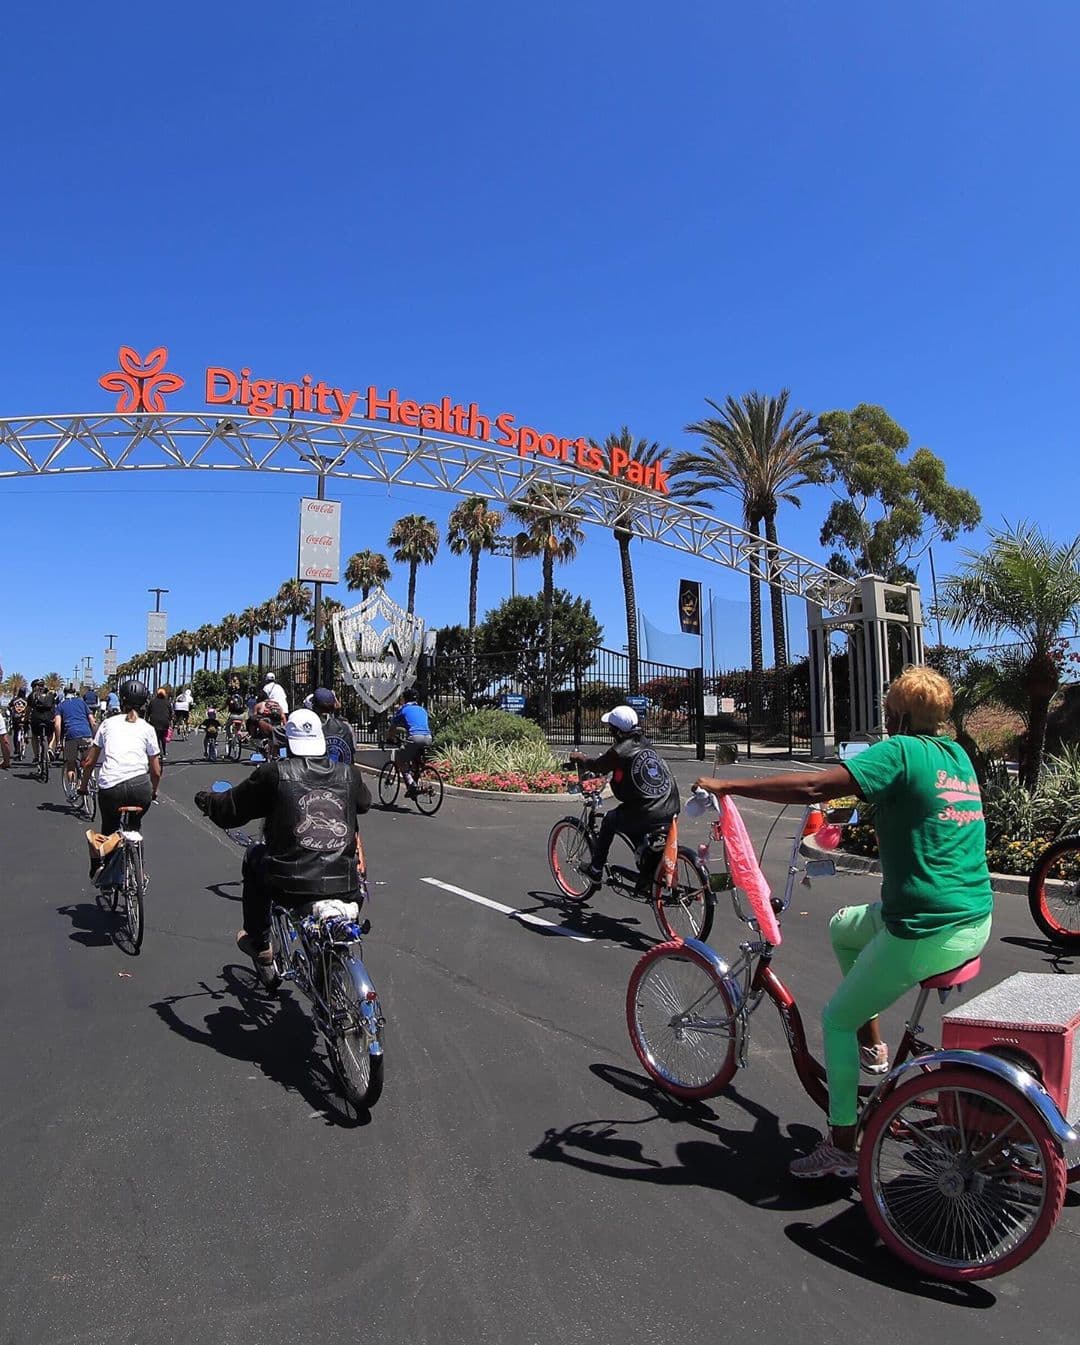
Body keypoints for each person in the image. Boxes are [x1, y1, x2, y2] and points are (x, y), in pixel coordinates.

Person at [693, 665, 994, 1180]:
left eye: (888, 711)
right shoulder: (956, 756)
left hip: (926, 927)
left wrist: (729, 784)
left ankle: (841, 1145)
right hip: (972, 917)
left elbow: (815, 784)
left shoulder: (900, 751)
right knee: (843, 927)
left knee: (834, 1018)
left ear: (898, 715)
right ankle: (872, 1048)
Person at [194, 708, 372, 970]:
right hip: (346, 884)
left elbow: (231, 809)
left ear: (288, 740)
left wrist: (207, 800)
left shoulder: (274, 774)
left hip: (290, 883)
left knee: (254, 856)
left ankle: (259, 941)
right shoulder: (348, 774)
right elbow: (364, 803)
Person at [569, 705, 680, 887]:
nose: (609, 731)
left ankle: (595, 869)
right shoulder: (645, 742)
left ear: (616, 731)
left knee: (610, 820)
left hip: (648, 811)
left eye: (611, 728)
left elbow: (598, 766)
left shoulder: (620, 750)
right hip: (670, 806)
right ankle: (647, 866)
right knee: (632, 819)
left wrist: (580, 758)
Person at [79, 680, 162, 834]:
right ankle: (134, 835)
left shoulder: (107, 724)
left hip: (111, 788)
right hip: (140, 788)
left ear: (122, 700)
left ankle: (109, 846)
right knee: (135, 824)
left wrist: (83, 787)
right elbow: (156, 771)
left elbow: (90, 762)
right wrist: (153, 791)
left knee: (109, 830)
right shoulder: (148, 729)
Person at [54, 685, 97, 796]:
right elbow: (92, 721)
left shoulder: (60, 706)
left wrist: (58, 742)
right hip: (86, 734)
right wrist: (94, 736)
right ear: (75, 693)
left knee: (71, 764)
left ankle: (74, 790)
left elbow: (57, 725)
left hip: (71, 735)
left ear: (64, 694)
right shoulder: (82, 703)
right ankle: (89, 781)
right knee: (87, 761)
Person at [390, 691, 432, 797]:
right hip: (428, 738)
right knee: (415, 759)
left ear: (404, 699)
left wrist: (390, 738)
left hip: (415, 738)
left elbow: (393, 727)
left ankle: (411, 783)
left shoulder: (403, 709)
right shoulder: (422, 709)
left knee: (400, 758)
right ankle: (415, 782)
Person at [312, 687, 356, 765]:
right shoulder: (346, 727)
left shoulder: (311, 728)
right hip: (345, 771)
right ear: (333, 707)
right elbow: (352, 750)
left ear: (313, 706)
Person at [27, 679, 59, 766]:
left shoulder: (32, 695)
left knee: (34, 736)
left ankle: (36, 756)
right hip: (49, 719)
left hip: (36, 719)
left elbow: (28, 710)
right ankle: (50, 748)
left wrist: (26, 719)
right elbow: (54, 708)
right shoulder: (50, 695)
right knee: (52, 734)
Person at [146, 687, 173, 762]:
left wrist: (147, 721)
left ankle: (159, 753)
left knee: (157, 738)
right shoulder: (167, 702)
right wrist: (170, 721)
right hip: (165, 722)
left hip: (154, 722)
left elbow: (148, 713)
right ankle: (164, 752)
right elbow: (170, 713)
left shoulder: (152, 702)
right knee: (163, 738)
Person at [8, 687, 28, 760]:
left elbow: (9, 706)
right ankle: (25, 738)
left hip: (15, 719)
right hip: (24, 718)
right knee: (26, 729)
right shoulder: (26, 700)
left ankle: (16, 749)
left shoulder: (14, 699)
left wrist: (12, 712)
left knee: (16, 733)